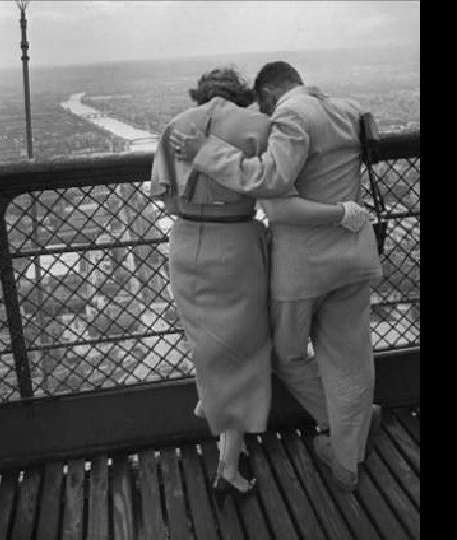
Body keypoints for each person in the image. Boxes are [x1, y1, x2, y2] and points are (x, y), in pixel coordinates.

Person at [149, 66, 369, 500]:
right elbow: (275, 186)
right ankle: (252, 463)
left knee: (226, 350)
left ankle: (217, 418)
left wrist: (199, 177)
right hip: (269, 248)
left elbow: (165, 192)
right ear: (243, 94)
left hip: (198, 245)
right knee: (269, 354)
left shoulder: (178, 126)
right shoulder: (290, 120)